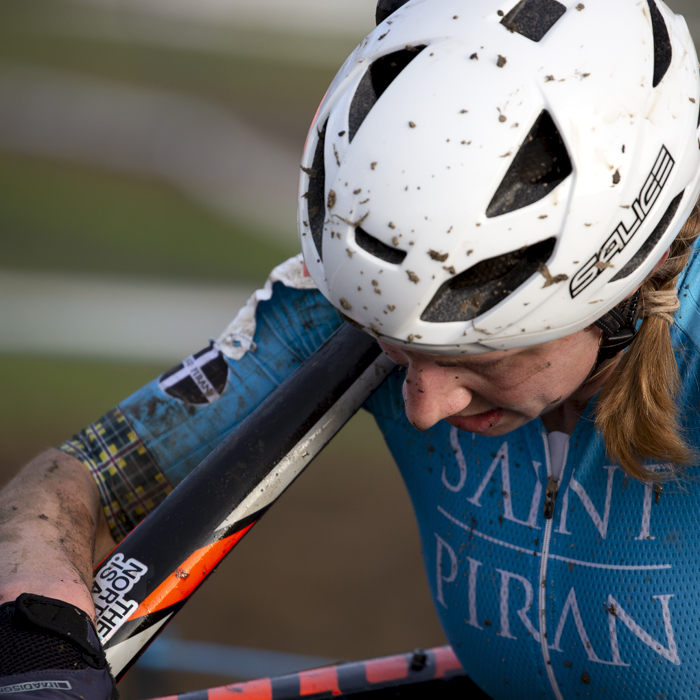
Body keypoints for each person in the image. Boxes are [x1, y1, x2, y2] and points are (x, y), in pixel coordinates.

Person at [1, 0, 699, 698]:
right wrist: (38, 625)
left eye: (476, 356)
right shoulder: (347, 307)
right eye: (394, 347)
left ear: (620, 281)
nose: (423, 406)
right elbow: (79, 475)